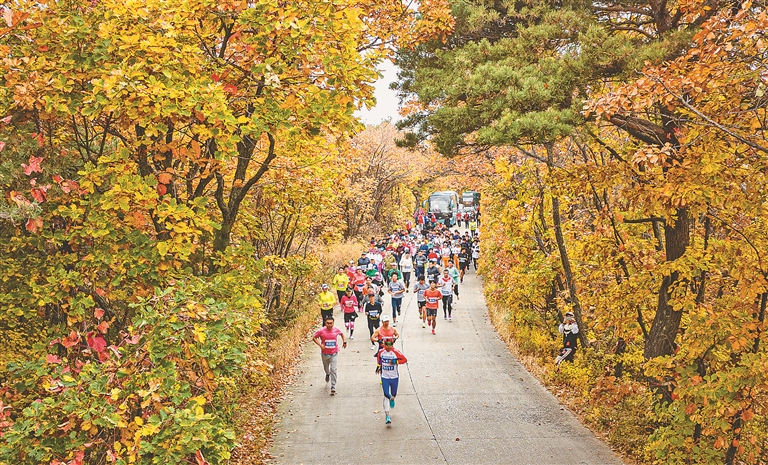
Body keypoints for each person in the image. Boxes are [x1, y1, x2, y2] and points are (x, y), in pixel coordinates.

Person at [376, 339, 408, 425]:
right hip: (385, 377)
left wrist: (397, 361)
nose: (388, 347)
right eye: (386, 345)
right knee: (386, 394)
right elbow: (379, 359)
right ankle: (387, 416)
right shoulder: (381, 352)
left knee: (393, 394)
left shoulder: (396, 352)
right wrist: (378, 366)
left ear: (392, 345)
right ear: (384, 345)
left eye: (390, 345)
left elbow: (405, 360)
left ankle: (392, 398)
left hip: (394, 377)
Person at [313, 316, 347, 395]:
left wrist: (344, 341)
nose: (329, 325)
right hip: (325, 353)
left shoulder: (336, 330)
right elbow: (314, 338)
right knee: (326, 367)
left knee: (333, 369)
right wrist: (320, 345)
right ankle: (327, 374)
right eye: (328, 323)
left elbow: (341, 334)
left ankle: (333, 386)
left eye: (331, 323)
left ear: (333, 323)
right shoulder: (321, 331)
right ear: (325, 323)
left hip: (334, 352)